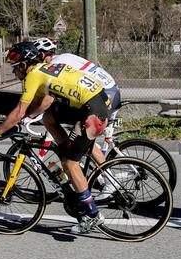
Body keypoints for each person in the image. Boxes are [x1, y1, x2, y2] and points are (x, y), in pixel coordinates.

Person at [0, 41, 109, 234]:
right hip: (96, 102)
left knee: (69, 164)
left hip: (93, 112)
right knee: (50, 118)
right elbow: (42, 103)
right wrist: (25, 118)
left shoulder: (33, 76)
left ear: (24, 65)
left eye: (15, 68)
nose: (14, 72)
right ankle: (68, 151)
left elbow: (19, 110)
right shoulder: (46, 68)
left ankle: (92, 214)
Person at [32, 37, 121, 169]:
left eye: (36, 58)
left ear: (42, 55)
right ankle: (81, 161)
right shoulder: (64, 56)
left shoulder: (53, 66)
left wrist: (30, 115)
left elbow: (50, 97)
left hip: (104, 96)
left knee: (83, 136)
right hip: (111, 90)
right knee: (80, 135)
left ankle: (108, 179)